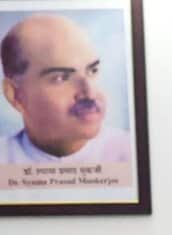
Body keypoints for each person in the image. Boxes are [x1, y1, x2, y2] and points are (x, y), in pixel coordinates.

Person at [0, 14, 130, 163]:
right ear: (16, 95)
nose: (90, 93)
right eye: (61, 78)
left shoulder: (130, 154)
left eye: (92, 71)